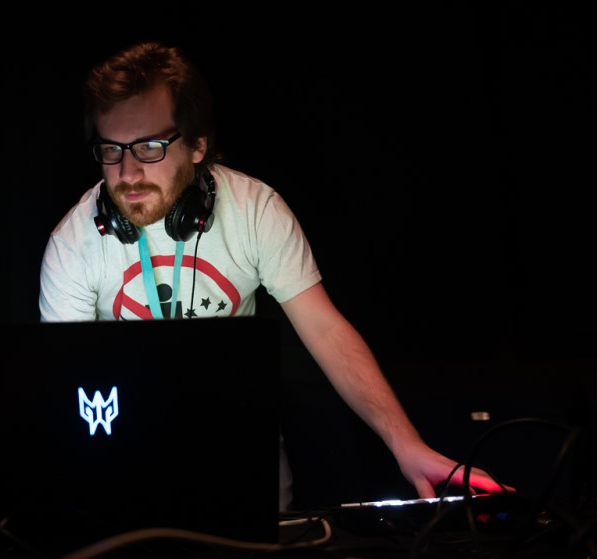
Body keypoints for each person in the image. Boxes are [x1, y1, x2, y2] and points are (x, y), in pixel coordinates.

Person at [39, 40, 504, 511]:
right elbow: (67, 383)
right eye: (111, 150)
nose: (128, 172)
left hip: (245, 466)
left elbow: (324, 330)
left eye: (151, 147)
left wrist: (406, 444)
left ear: (198, 144)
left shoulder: (255, 211)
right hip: (129, 471)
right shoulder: (72, 245)